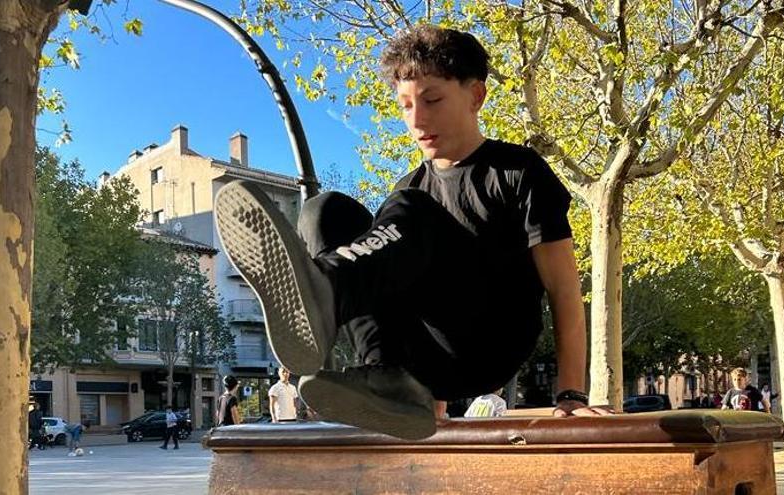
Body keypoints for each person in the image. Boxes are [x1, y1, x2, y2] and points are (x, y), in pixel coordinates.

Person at [213, 25, 609, 440]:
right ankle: (390, 381)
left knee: (411, 210)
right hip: (427, 357)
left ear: (476, 96)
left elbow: (565, 291)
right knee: (324, 212)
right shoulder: (407, 188)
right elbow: (399, 293)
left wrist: (571, 394)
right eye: (405, 106)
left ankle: (325, 290)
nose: (417, 120)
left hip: (492, 343)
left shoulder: (517, 172)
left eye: (432, 100)